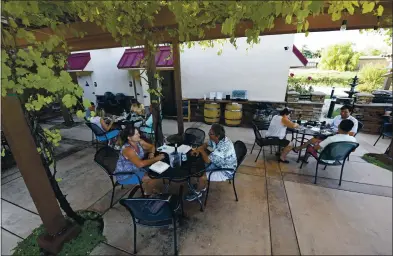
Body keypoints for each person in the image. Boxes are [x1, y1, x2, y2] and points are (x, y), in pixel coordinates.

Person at [188, 123, 237, 201]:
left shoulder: (222, 148)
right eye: (209, 132)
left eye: (211, 134)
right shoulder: (217, 139)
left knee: (202, 177)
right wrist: (198, 150)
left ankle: (198, 193)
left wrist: (201, 150)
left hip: (226, 170)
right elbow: (206, 144)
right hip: (220, 163)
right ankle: (202, 187)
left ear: (217, 136)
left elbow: (207, 160)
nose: (209, 134)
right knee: (200, 168)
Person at [114, 124, 164, 195]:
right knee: (154, 177)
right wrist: (156, 158)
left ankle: (149, 190)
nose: (139, 135)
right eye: (136, 134)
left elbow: (152, 146)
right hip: (126, 174)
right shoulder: (128, 149)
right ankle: (148, 194)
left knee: (157, 172)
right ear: (129, 138)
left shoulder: (138, 141)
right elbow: (140, 164)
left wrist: (152, 153)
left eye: (138, 133)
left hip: (136, 169)